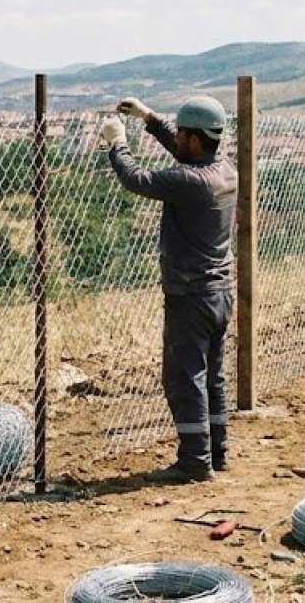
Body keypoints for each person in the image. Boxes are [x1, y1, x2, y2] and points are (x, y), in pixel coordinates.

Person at [99, 95, 236, 483]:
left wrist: (117, 142)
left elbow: (136, 179)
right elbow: (183, 150)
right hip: (219, 292)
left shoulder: (189, 181)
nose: (178, 139)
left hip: (190, 296)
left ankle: (195, 462)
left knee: (185, 378)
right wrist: (149, 118)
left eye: (182, 134)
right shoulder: (224, 170)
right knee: (212, 376)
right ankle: (217, 453)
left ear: (194, 138)